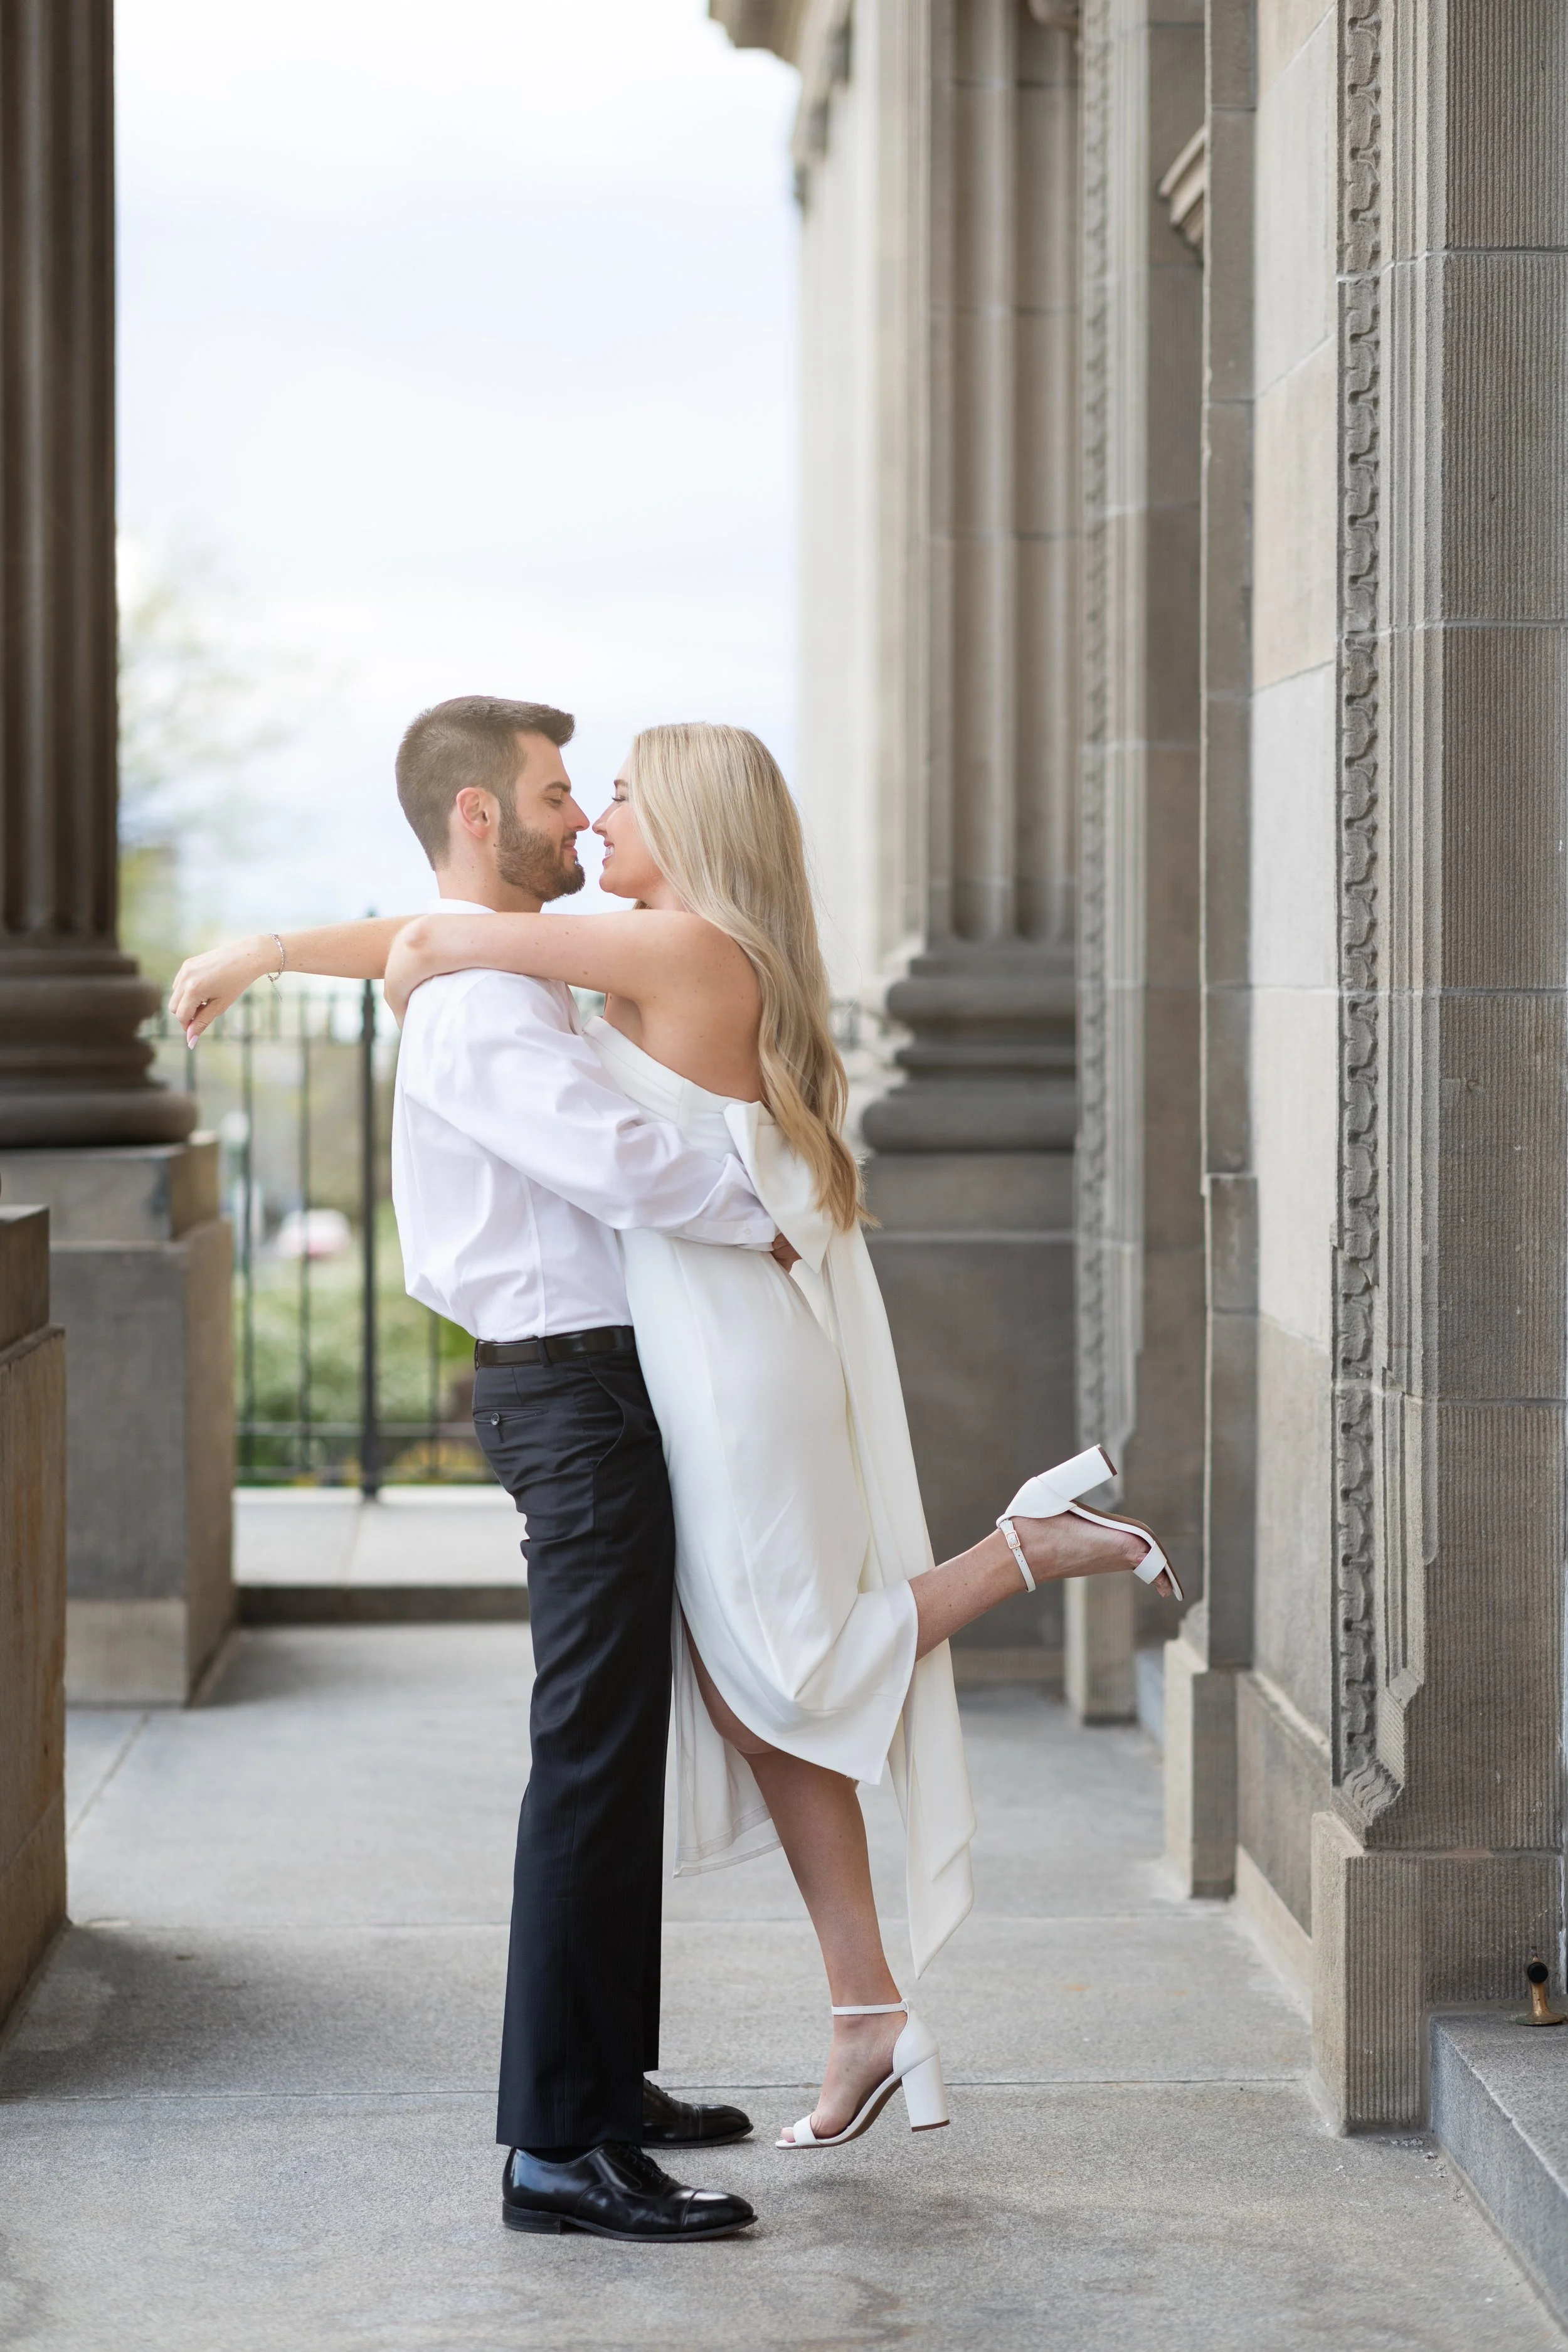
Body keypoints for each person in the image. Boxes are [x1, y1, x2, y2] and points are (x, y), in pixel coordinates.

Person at [171, 700, 1174, 2182]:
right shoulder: (608, 956)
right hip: (653, 1356)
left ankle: (1020, 1559)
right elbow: (446, 941)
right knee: (728, 1685)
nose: (588, 820)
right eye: (571, 796)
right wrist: (291, 950)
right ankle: (832, 2015)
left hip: (701, 1345)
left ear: (688, 828)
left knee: (753, 1673)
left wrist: (349, 946)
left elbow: (459, 956)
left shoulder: (671, 948)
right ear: (479, 818)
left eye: (613, 798)